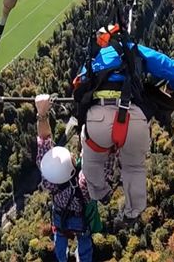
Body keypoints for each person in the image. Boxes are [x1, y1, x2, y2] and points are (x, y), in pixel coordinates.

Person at [74, 23, 174, 228]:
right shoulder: (135, 51)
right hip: (133, 120)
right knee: (134, 167)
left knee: (90, 154)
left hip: (98, 119)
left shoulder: (94, 60)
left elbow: (79, 87)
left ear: (104, 40)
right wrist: (171, 91)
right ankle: (133, 212)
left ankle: (100, 193)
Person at [34, 94, 114, 262]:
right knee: (84, 246)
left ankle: (62, 259)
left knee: (60, 246)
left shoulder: (49, 178)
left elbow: (44, 140)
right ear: (72, 169)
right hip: (80, 223)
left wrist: (42, 113)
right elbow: (103, 164)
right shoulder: (83, 184)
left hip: (61, 221)